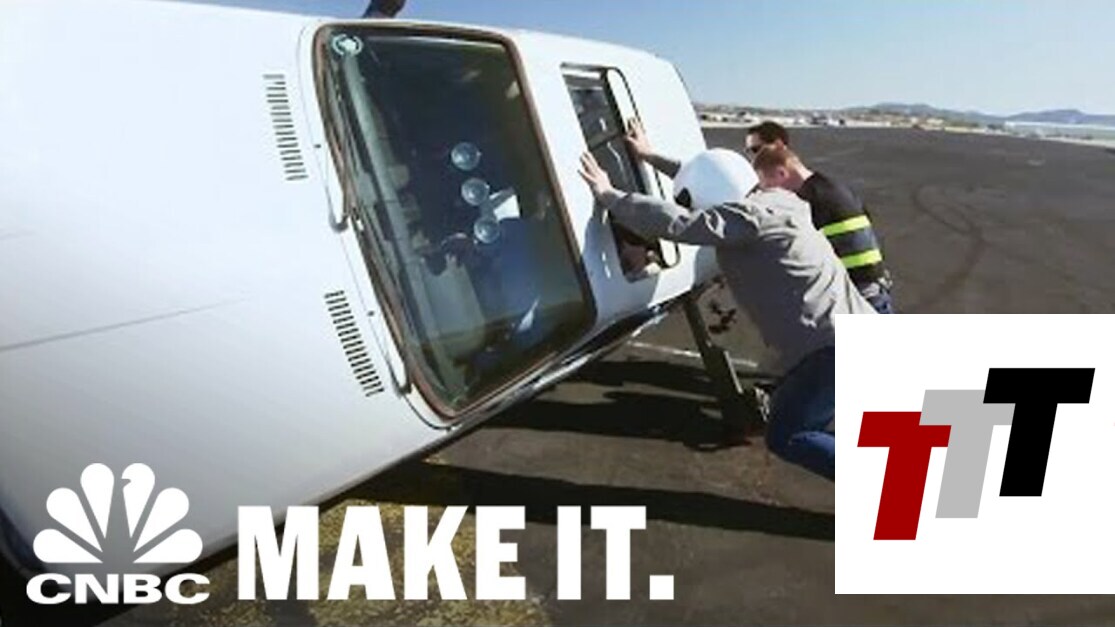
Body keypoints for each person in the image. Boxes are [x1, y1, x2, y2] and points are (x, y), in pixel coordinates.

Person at [581, 127, 876, 482]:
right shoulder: (780, 202)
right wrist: (650, 157)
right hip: (857, 334)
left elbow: (680, 222)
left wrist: (610, 195)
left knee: (789, 434)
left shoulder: (748, 219)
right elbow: (711, 177)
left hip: (830, 349)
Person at [744, 122, 895, 313]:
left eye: (755, 150)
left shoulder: (806, 202)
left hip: (859, 297)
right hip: (872, 291)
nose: (766, 191)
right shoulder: (834, 188)